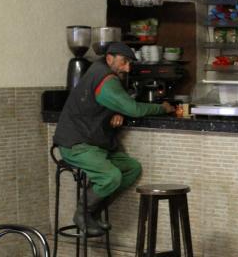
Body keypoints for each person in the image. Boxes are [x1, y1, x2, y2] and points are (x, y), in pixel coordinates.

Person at [54, 42, 174, 236]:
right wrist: (163, 108)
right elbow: (133, 108)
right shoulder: (106, 78)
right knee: (111, 177)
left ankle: (94, 212)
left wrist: (117, 110)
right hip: (77, 144)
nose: (127, 68)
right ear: (110, 58)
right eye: (124, 62)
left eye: (129, 63)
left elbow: (111, 102)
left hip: (94, 143)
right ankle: (83, 213)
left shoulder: (98, 69)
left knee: (131, 169)